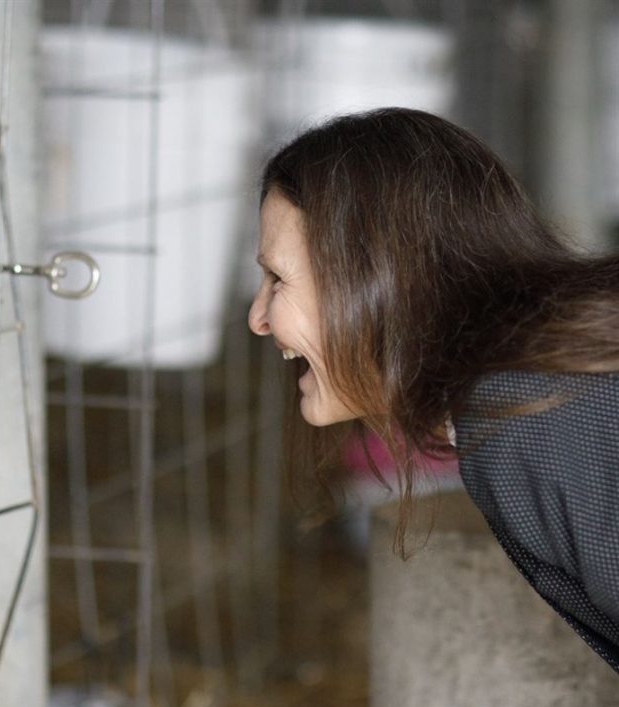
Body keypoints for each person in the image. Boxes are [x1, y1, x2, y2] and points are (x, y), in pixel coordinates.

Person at [248, 107, 619, 672]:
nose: (258, 318)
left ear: (372, 276)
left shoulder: (524, 410)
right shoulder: (533, 381)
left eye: (278, 278)